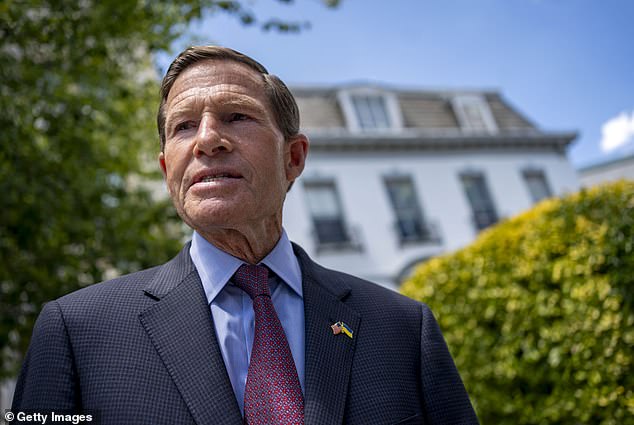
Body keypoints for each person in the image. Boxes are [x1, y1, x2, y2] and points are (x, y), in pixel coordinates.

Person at [12, 46, 478, 424]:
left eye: (237, 116)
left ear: (293, 157)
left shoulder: (403, 328)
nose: (207, 140)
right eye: (184, 126)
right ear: (166, 171)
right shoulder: (74, 332)